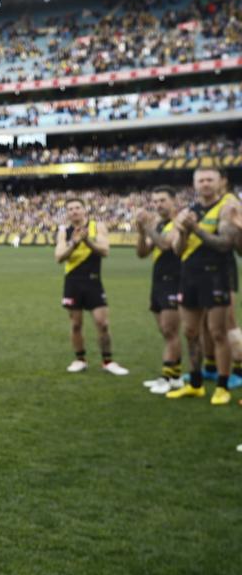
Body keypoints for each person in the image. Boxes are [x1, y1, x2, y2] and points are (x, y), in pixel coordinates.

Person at [167, 168, 240, 403]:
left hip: (217, 275)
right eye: (201, 180)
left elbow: (225, 244)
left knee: (218, 332)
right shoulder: (189, 211)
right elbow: (177, 250)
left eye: (210, 179)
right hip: (189, 275)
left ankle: (222, 386)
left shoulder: (227, 209)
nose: (205, 184)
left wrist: (196, 228)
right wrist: (185, 231)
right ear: (194, 184)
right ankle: (196, 383)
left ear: (220, 182)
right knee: (190, 332)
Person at [54, 198, 128, 375]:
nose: (74, 211)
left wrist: (87, 241)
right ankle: (80, 360)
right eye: (70, 209)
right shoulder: (64, 231)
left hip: (93, 281)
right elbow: (59, 257)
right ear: (67, 213)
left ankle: (108, 361)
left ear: (84, 210)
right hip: (73, 281)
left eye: (77, 207)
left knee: (102, 323)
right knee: (76, 324)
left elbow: (105, 251)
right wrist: (75, 243)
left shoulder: (97, 227)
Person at [134, 186, 183, 394]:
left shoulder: (179, 221)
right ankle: (176, 376)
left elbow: (165, 245)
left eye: (162, 200)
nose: (158, 205)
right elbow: (142, 253)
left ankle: (167, 377)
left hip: (175, 279)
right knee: (165, 331)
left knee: (170, 330)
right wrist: (140, 232)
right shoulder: (158, 223)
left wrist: (148, 229)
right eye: (155, 202)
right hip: (159, 280)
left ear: (174, 201)